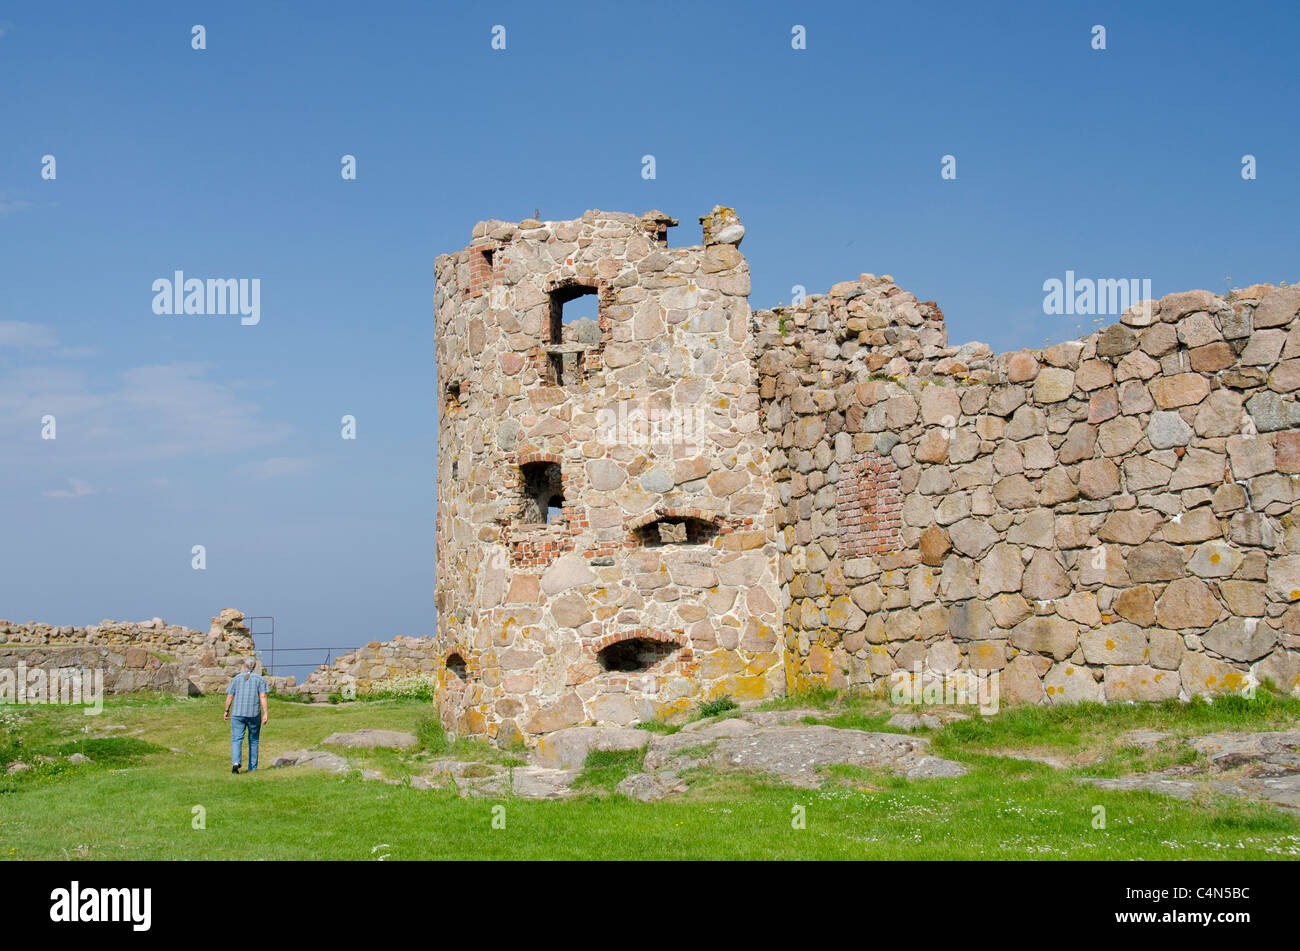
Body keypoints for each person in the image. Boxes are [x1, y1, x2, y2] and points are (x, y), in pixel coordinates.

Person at [224, 658, 269, 774]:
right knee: (253, 740)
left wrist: (226, 710)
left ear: (244, 666)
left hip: (238, 713)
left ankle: (235, 762)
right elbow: (263, 696)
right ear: (254, 667)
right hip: (253, 713)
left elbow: (230, 696)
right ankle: (252, 767)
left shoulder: (237, 678)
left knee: (236, 739)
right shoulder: (260, 679)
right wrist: (265, 713)